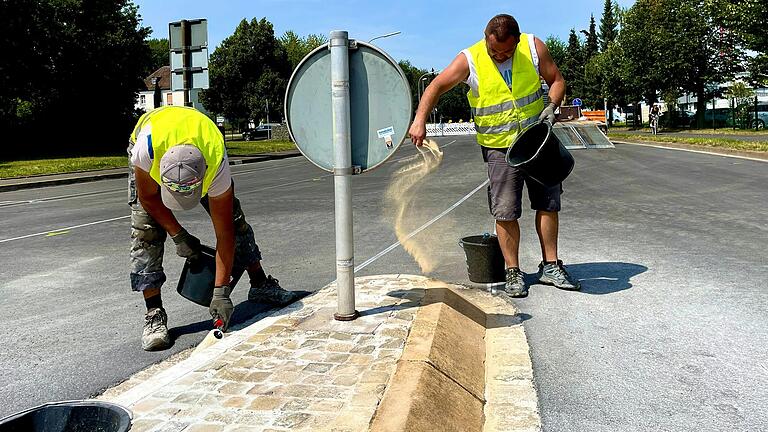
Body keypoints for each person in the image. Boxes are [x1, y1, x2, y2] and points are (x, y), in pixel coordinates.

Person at [408, 14, 581, 298]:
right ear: (486, 37)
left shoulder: (533, 47)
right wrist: (420, 119)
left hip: (538, 142)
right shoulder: (471, 59)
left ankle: (551, 266)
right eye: (495, 51)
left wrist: (552, 105)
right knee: (505, 210)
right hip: (500, 148)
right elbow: (436, 86)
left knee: (548, 202)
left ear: (517, 41)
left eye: (507, 51)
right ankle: (513, 271)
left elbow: (557, 80)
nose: (500, 56)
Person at [128, 106, 303, 351]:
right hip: (155, 139)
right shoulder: (145, 150)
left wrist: (221, 292)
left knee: (234, 220)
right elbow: (148, 198)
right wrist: (178, 235)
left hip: (196, 144)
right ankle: (154, 313)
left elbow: (225, 232)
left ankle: (260, 284)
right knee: (145, 229)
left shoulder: (215, 161)